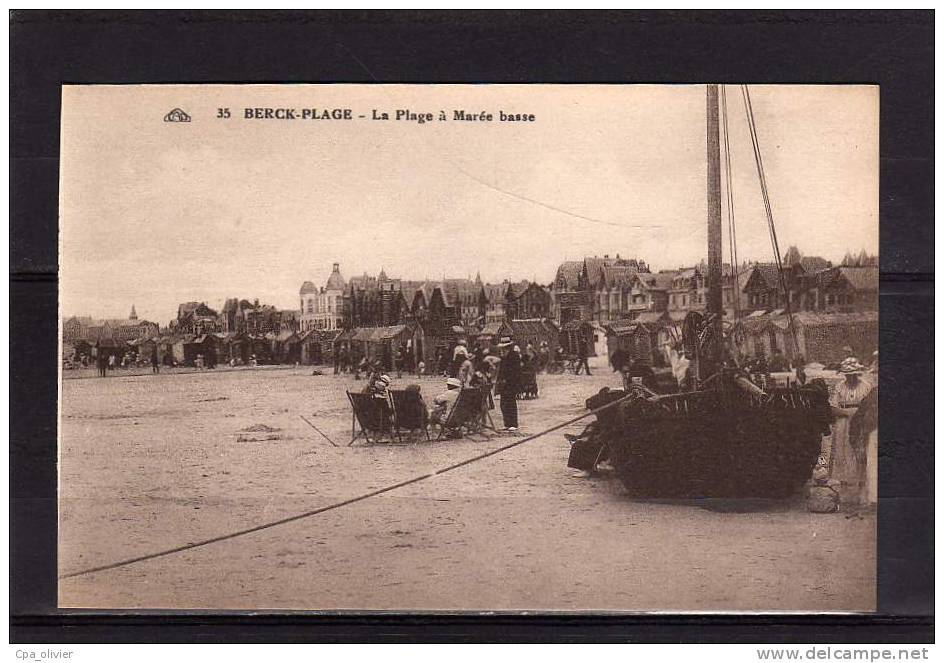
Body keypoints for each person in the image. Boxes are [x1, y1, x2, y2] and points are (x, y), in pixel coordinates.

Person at [817, 357, 876, 508]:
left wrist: (860, 415)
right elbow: (832, 407)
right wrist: (846, 413)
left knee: (860, 453)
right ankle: (844, 489)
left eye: (854, 374)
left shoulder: (867, 386)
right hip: (843, 421)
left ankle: (863, 490)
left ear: (858, 373)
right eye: (848, 374)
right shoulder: (839, 387)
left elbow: (872, 407)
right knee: (843, 453)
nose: (851, 377)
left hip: (861, 422)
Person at [496, 341, 521, 431]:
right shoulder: (504, 357)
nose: (502, 350)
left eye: (503, 348)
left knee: (511, 403)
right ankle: (507, 423)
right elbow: (501, 370)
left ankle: (513, 423)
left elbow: (516, 371)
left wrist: (509, 380)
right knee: (503, 403)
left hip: (511, 383)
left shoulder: (514, 356)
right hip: (504, 384)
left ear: (507, 347)